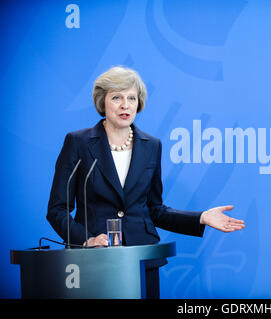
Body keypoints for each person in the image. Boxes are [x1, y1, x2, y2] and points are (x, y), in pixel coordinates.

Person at [47, 66, 245, 299]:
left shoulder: (151, 145)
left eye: (132, 98)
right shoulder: (78, 142)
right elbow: (57, 209)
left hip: (142, 260)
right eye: (117, 97)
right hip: (93, 261)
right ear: (103, 102)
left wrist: (201, 217)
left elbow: (155, 210)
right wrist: (86, 240)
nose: (125, 105)